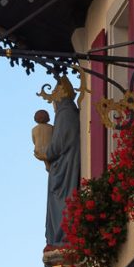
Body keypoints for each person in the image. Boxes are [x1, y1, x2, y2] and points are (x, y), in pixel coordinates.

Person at [43, 78, 81, 248]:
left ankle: (62, 236)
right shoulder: (68, 112)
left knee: (62, 203)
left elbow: (59, 144)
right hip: (65, 164)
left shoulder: (65, 113)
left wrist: (45, 152)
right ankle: (60, 236)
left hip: (66, 167)